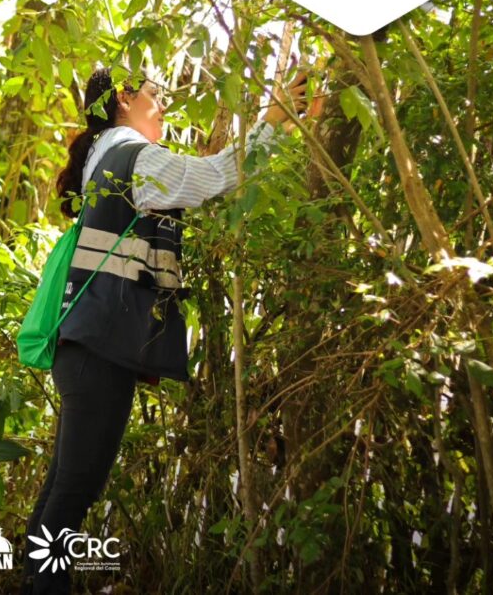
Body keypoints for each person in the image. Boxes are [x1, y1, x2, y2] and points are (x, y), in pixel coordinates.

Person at [20, 67, 318, 594]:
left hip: (86, 349)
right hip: (98, 353)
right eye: (155, 96)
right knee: (71, 495)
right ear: (124, 100)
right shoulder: (134, 157)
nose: (163, 106)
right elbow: (214, 177)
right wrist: (272, 121)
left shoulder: (104, 158)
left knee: (63, 492)